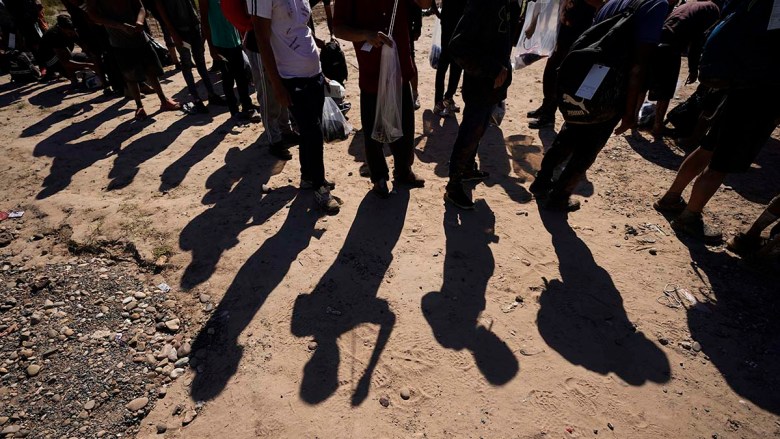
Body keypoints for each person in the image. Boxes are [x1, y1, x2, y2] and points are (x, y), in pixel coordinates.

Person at [529, 0, 670, 212]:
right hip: (611, 87)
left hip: (589, 76)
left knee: (572, 129)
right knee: (589, 146)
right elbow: (638, 66)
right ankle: (559, 197)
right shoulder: (656, 5)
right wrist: (630, 112)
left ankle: (541, 182)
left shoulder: (616, 1)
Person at [247, 0, 341, 214]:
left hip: (313, 73)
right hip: (290, 77)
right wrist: (277, 84)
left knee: (309, 132)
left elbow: (301, 29)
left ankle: (308, 176)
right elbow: (261, 38)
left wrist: (320, 71)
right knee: (313, 131)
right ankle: (320, 188)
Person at [333, 0, 432, 198]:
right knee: (373, 129)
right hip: (372, 71)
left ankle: (404, 171)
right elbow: (338, 28)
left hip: (400, 68)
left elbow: (425, 3)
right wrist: (366, 35)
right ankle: (379, 177)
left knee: (405, 124)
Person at [442, 0, 517, 209]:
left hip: (492, 87)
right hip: (479, 84)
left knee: (480, 130)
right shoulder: (481, 4)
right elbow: (457, 46)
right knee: (470, 132)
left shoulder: (508, 4)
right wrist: (492, 68)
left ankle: (466, 169)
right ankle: (453, 186)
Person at [86, 0, 181, 120]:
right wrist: (119, 26)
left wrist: (139, 21)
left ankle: (163, 100)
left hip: (140, 38)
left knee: (151, 71)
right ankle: (139, 106)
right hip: (119, 43)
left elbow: (141, 7)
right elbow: (94, 16)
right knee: (130, 76)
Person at [647, 0, 720, 137]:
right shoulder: (713, 10)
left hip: (657, 40)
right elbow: (697, 42)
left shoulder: (691, 5)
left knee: (647, 82)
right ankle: (657, 125)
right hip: (671, 47)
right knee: (666, 89)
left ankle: (633, 117)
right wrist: (694, 69)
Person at [527, 0, 600, 128]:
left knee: (559, 73)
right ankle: (546, 107)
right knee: (551, 70)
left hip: (577, 32)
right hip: (564, 28)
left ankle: (549, 115)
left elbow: (599, 4)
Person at [155, 0, 226, 113]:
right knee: (186, 63)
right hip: (179, 29)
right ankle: (196, 99)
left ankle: (212, 94)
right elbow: (161, 9)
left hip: (194, 25)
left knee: (201, 62)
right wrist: (172, 32)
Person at [200, 0, 257, 120]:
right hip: (219, 43)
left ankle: (247, 106)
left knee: (242, 76)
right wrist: (211, 46)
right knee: (228, 78)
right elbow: (204, 21)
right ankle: (234, 110)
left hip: (235, 41)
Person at [37, 14, 98, 84]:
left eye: (73, 31)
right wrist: (88, 65)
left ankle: (70, 72)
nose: (72, 34)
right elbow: (65, 62)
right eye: (70, 33)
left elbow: (83, 46)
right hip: (51, 61)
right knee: (71, 62)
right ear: (62, 28)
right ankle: (70, 77)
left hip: (64, 55)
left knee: (87, 57)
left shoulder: (71, 29)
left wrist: (92, 58)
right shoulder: (54, 35)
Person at [430, 0, 465, 117]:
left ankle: (448, 98)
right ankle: (439, 102)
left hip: (461, 23)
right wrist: (436, 10)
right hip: (449, 22)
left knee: (457, 64)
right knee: (444, 63)